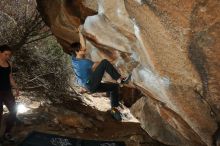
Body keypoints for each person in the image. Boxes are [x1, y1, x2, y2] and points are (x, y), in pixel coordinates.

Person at [70, 42, 131, 121]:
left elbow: (81, 46)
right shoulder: (84, 63)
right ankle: (120, 80)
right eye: (81, 49)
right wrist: (115, 61)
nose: (84, 49)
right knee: (105, 62)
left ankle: (114, 111)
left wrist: (80, 32)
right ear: (76, 51)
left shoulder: (74, 60)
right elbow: (100, 65)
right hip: (90, 83)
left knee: (114, 87)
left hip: (89, 86)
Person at [0, 45, 19, 143]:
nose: (7, 56)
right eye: (5, 54)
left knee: (14, 111)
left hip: (7, 91)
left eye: (9, 55)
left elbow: (10, 77)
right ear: (0, 52)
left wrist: (16, 87)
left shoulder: (8, 64)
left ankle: (7, 133)